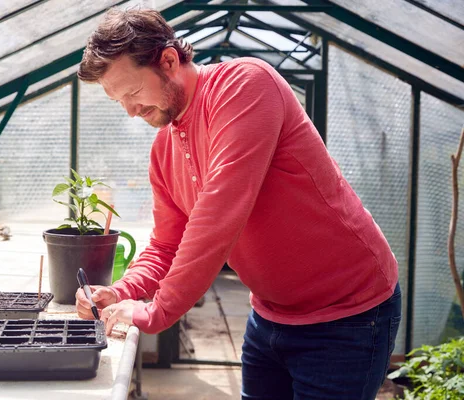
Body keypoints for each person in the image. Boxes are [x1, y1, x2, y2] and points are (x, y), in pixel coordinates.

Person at [75, 8, 401, 400]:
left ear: (168, 60)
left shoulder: (244, 85)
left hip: (348, 315)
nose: (130, 111)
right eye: (119, 101)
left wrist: (155, 311)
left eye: (132, 93)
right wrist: (124, 290)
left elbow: (219, 212)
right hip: (269, 315)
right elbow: (166, 245)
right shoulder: (164, 150)